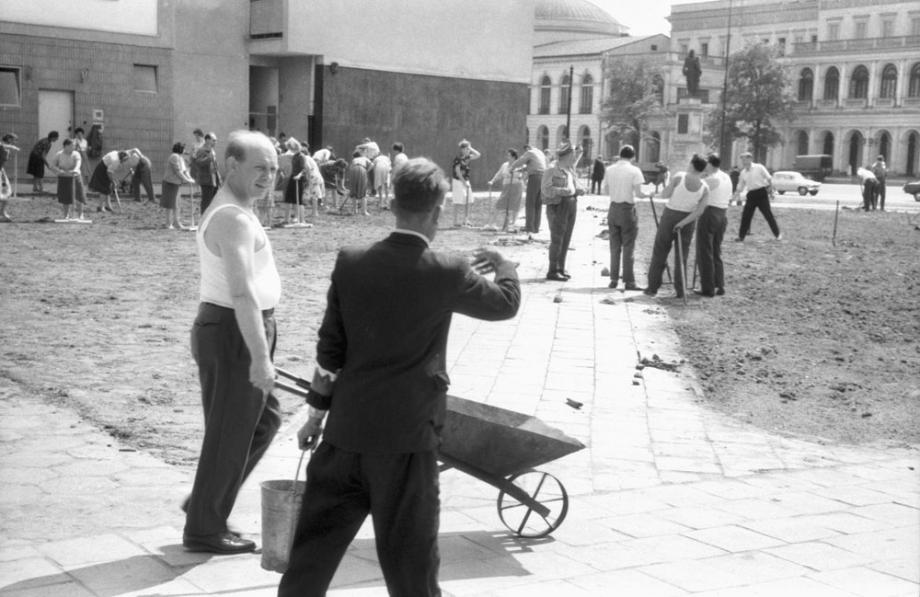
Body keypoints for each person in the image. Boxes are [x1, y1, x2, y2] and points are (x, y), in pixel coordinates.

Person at [279, 157, 521, 597]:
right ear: (439, 210)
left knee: (309, 563)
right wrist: (506, 265)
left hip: (345, 436)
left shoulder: (351, 262)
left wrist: (315, 415)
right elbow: (505, 305)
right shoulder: (447, 269)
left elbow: (329, 349)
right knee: (412, 573)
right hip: (407, 444)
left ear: (392, 203)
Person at [183, 130, 282, 555]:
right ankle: (204, 529)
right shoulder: (232, 218)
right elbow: (242, 293)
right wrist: (260, 358)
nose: (269, 177)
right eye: (259, 167)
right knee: (231, 431)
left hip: (235, 328)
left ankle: (205, 501)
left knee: (261, 421)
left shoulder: (238, 210)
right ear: (231, 165)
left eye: (274, 169)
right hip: (234, 330)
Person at [644, 154, 711, 298]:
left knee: (660, 251)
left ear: (692, 165)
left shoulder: (679, 176)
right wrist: (683, 223)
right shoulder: (705, 187)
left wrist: (653, 194)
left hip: (670, 216)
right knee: (682, 255)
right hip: (688, 220)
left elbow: (664, 195)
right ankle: (681, 290)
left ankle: (652, 287)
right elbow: (699, 211)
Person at [602, 144, 651, 290]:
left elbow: (606, 190)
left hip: (613, 208)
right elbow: (639, 193)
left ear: (620, 154)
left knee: (614, 246)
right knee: (629, 246)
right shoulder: (634, 170)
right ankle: (629, 281)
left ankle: (614, 279)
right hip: (627, 209)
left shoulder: (610, 169)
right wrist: (649, 195)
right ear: (633, 156)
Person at [541, 142, 584, 281]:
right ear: (567, 155)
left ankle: (560, 267)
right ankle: (552, 270)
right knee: (557, 239)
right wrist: (565, 191)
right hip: (558, 206)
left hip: (571, 204)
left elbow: (571, 186)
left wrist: (576, 190)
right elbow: (546, 190)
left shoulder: (569, 169)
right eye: (573, 154)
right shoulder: (552, 169)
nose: (575, 157)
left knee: (566, 239)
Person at [696, 153, 732, 297]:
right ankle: (719, 284)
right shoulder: (725, 176)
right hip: (722, 213)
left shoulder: (712, 179)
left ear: (710, 164)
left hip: (710, 212)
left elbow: (698, 193)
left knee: (705, 251)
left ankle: (708, 287)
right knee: (716, 251)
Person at [733, 151, 781, 241]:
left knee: (768, 214)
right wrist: (735, 195)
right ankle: (741, 236)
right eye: (742, 159)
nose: (743, 161)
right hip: (751, 194)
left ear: (750, 159)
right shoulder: (743, 172)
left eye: (745, 159)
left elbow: (769, 178)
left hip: (761, 193)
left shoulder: (759, 167)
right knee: (746, 215)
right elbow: (740, 186)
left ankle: (777, 234)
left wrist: (771, 190)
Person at [510, 144, 547, 235]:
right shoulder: (540, 153)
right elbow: (530, 166)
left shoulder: (530, 152)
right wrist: (519, 170)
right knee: (538, 204)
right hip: (543, 177)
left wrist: (512, 167)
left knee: (530, 203)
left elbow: (520, 161)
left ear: (527, 148)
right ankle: (535, 227)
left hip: (534, 177)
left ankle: (529, 227)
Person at [486, 148, 524, 231]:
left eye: (509, 155)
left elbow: (523, 174)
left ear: (514, 157)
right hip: (506, 187)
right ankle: (492, 224)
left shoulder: (519, 164)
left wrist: (518, 175)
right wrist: (492, 181)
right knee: (499, 204)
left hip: (516, 187)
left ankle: (512, 224)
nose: (507, 157)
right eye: (507, 155)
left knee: (514, 206)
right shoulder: (505, 165)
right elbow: (499, 174)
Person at [50, 138, 87, 220]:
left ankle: (81, 215)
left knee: (79, 196)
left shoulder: (76, 154)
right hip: (64, 177)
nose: (73, 147)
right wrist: (59, 171)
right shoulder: (59, 154)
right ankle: (66, 215)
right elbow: (52, 166)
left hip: (75, 176)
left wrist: (76, 169)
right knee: (65, 197)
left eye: (74, 146)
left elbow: (78, 162)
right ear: (66, 146)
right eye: (71, 145)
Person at [162, 142, 195, 229]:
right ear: (180, 149)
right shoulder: (174, 157)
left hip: (176, 184)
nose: (185, 150)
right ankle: (168, 223)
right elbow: (178, 171)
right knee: (170, 204)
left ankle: (177, 222)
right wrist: (186, 179)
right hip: (170, 183)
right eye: (184, 148)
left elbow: (185, 171)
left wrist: (190, 178)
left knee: (176, 204)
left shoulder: (180, 158)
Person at [450, 139, 481, 227]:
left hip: (466, 181)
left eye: (468, 149)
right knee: (458, 200)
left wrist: (471, 148)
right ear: (462, 149)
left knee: (468, 200)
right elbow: (458, 172)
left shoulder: (468, 157)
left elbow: (478, 155)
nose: (468, 151)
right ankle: (455, 222)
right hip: (458, 181)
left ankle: (466, 220)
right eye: (466, 149)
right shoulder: (458, 159)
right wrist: (464, 183)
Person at [193, 132, 221, 214]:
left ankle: (210, 219)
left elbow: (214, 166)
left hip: (214, 180)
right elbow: (198, 163)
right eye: (214, 140)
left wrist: (219, 178)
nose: (215, 142)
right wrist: (208, 159)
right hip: (206, 180)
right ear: (207, 140)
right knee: (206, 201)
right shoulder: (201, 150)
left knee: (213, 201)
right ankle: (203, 219)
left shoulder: (212, 150)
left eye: (216, 141)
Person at [342, 150, 370, 215]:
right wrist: (367, 171)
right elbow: (372, 164)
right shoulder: (364, 158)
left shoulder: (354, 160)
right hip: (362, 169)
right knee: (363, 191)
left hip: (353, 170)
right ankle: (364, 211)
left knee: (353, 191)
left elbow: (350, 168)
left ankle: (355, 211)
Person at [0, 133, 21, 222]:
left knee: (7, 192)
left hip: (1, 170)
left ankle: (2, 212)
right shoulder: (2, 144)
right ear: (8, 138)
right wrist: (11, 147)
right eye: (13, 140)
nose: (14, 142)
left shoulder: (6, 147)